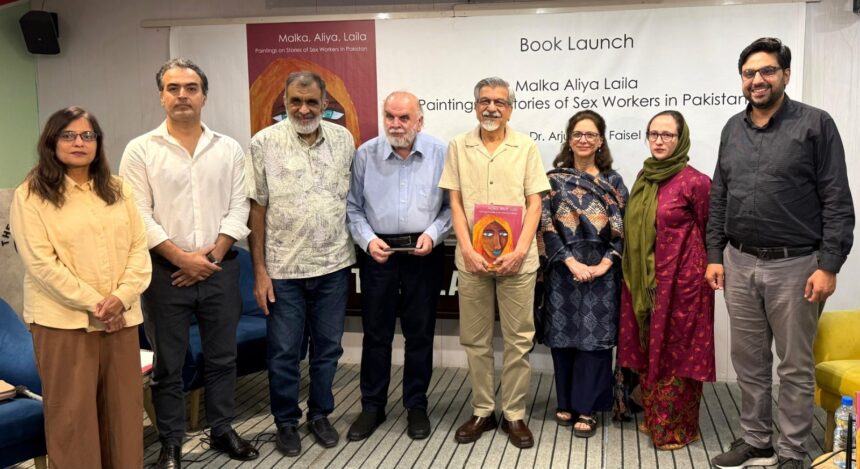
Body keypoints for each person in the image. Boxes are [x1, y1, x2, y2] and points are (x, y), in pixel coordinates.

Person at [706, 38, 854, 469]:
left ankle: (790, 451)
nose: (758, 80)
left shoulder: (815, 124)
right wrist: (714, 253)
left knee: (794, 366)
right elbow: (720, 195)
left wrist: (829, 265)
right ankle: (757, 441)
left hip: (797, 265)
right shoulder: (732, 128)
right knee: (749, 362)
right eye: (749, 73)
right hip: (739, 261)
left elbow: (836, 199)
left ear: (785, 75)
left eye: (767, 71)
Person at [120, 58, 257, 469]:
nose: (183, 95)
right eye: (174, 88)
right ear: (161, 96)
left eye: (191, 88)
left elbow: (239, 207)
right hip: (165, 274)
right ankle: (171, 443)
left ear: (204, 96)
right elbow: (137, 214)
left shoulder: (228, 149)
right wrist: (181, 258)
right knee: (169, 364)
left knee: (222, 357)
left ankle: (222, 430)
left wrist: (210, 257)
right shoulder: (140, 150)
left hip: (220, 269)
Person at [10, 106, 151, 468]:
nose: (79, 143)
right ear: (52, 142)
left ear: (98, 143)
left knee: (123, 415)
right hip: (64, 323)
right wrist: (98, 304)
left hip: (121, 320)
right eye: (69, 135)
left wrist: (120, 298)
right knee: (73, 420)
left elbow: (139, 249)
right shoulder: (31, 195)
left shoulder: (118, 189)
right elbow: (42, 264)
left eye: (88, 135)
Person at [246, 71, 355, 456]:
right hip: (283, 272)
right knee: (283, 353)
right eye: (296, 101)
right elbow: (257, 209)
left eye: (311, 102)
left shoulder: (343, 140)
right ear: (285, 102)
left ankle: (320, 415)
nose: (304, 109)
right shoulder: (263, 143)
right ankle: (286, 422)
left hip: (334, 266)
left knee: (328, 350)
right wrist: (259, 271)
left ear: (324, 103)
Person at [439, 77, 550, 449]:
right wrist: (467, 249)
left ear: (510, 109)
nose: (491, 107)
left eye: (499, 102)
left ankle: (514, 413)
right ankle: (483, 410)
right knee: (476, 339)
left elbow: (535, 203)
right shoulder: (458, 146)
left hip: (518, 260)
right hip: (472, 260)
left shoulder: (526, 146)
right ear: (475, 106)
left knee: (519, 340)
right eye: (485, 101)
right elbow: (455, 202)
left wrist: (519, 250)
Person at [345, 91, 451, 441]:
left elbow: (452, 207)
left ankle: (416, 405)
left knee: (420, 334)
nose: (395, 124)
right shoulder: (365, 154)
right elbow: (353, 206)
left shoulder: (440, 152)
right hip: (379, 254)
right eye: (389, 116)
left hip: (424, 253)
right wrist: (367, 240)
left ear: (420, 121)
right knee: (376, 334)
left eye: (404, 118)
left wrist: (434, 234)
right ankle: (372, 406)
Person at [617, 110, 714, 450]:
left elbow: (710, 231)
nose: (659, 141)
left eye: (667, 135)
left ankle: (677, 428)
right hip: (644, 282)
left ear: (681, 139)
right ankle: (653, 416)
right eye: (654, 134)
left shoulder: (696, 182)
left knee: (677, 353)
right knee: (648, 347)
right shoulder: (644, 176)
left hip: (682, 285)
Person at [536, 110, 627, 438]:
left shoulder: (613, 182)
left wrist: (605, 264)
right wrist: (569, 261)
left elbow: (622, 228)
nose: (584, 140)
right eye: (578, 134)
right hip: (563, 271)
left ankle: (587, 408)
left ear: (600, 140)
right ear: (569, 139)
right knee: (563, 339)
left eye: (590, 134)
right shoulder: (552, 180)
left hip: (603, 273)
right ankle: (566, 402)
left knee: (594, 341)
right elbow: (545, 224)